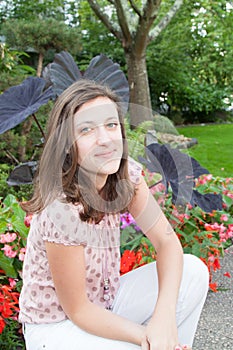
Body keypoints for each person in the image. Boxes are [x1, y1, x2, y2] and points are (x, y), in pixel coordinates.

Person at [19, 79, 209, 350]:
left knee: (193, 272)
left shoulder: (125, 177)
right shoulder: (61, 208)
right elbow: (79, 311)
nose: (105, 139)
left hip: (106, 304)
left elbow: (167, 243)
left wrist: (163, 319)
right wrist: (144, 336)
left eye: (111, 125)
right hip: (56, 328)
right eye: (86, 129)